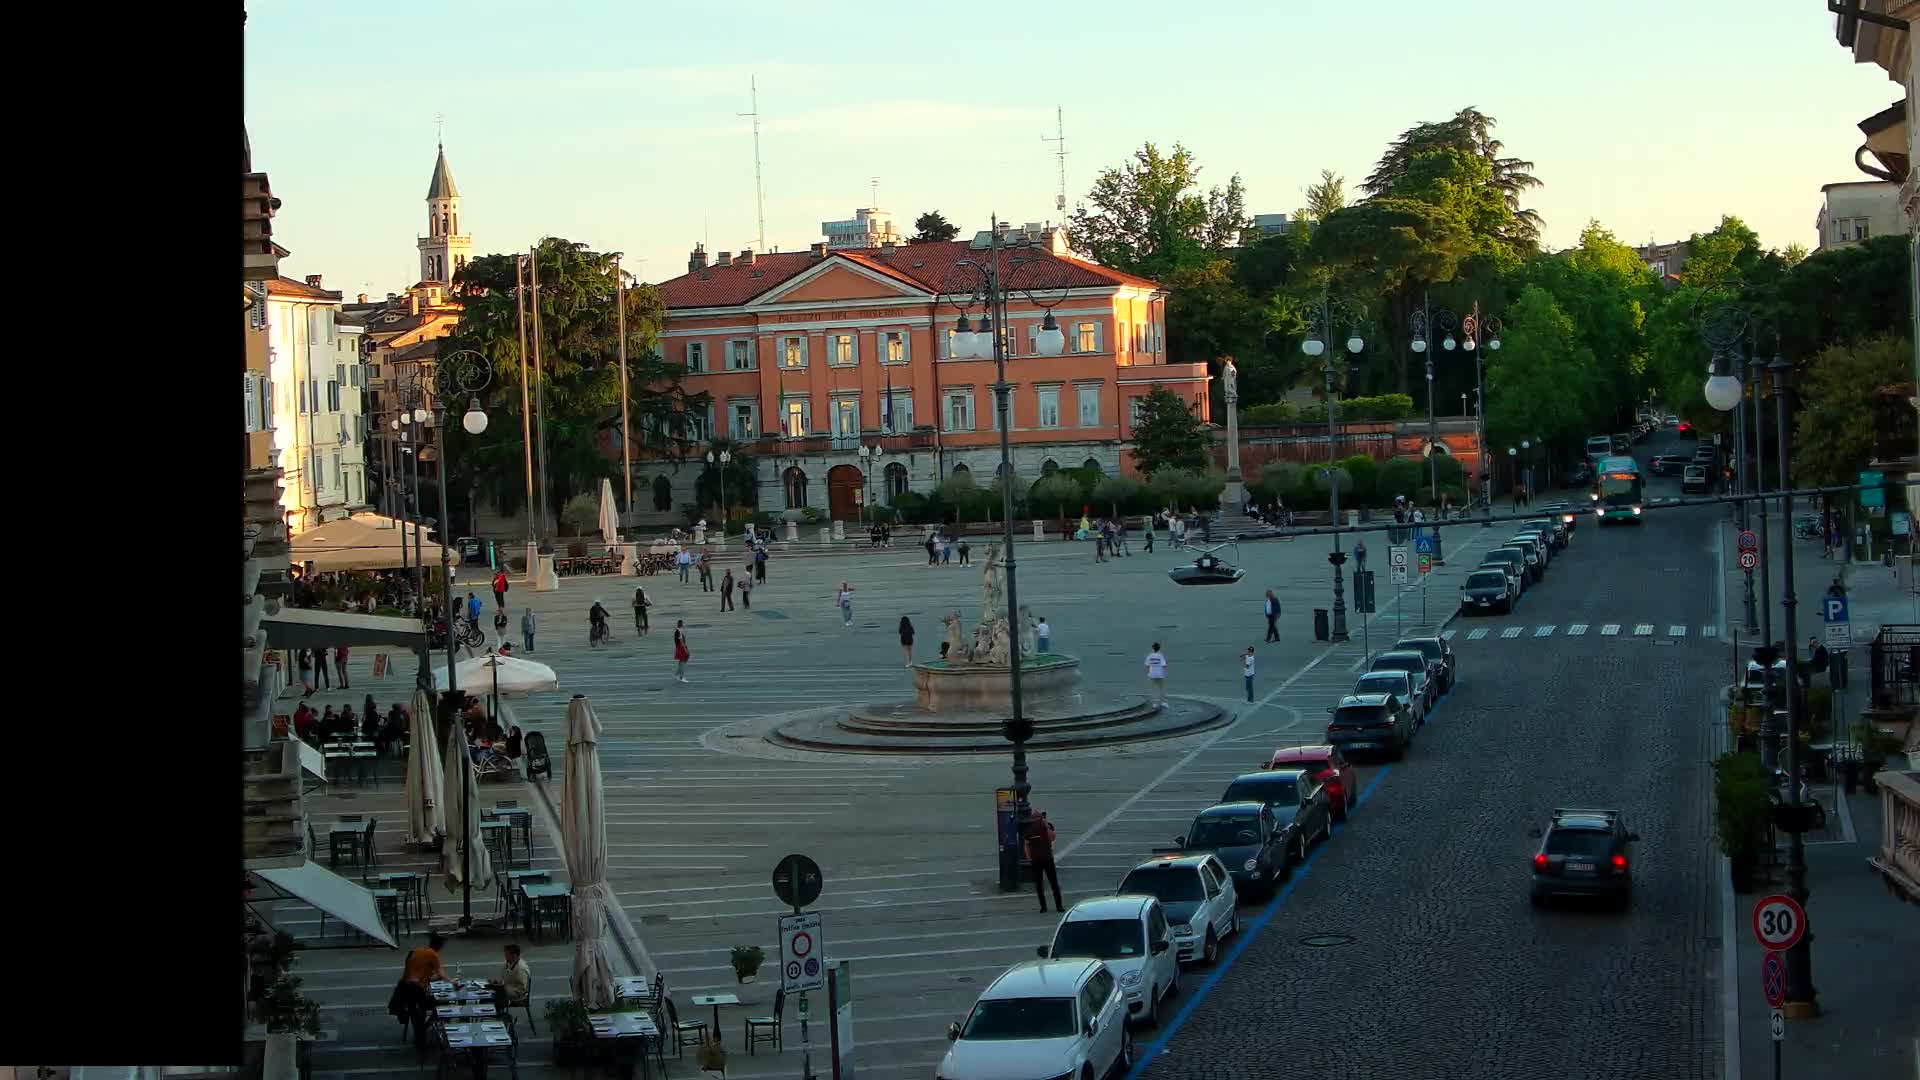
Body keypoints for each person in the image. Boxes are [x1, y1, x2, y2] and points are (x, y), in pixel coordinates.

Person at [389, 933, 449, 1048]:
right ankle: (424, 1030)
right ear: (439, 946)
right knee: (440, 1004)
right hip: (415, 990)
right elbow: (440, 973)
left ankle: (420, 1035)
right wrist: (452, 981)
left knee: (415, 1013)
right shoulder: (432, 955)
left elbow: (420, 976)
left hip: (405, 991)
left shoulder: (416, 952)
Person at [1024, 809, 1063, 913]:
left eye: (1038, 817)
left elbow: (1052, 837)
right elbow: (1026, 844)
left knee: (1054, 883)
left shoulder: (1048, 825)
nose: (1036, 820)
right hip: (1036, 860)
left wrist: (1046, 826)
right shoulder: (1029, 829)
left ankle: (1059, 905)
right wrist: (1029, 858)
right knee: (1039, 885)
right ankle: (1043, 906)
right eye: (1034, 818)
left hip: (1047, 858)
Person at [489, 943, 532, 1016]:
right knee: (491, 990)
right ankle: (497, 1012)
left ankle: (500, 1015)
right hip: (508, 988)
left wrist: (505, 988)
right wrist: (497, 982)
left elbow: (522, 989)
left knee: (498, 994)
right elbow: (505, 979)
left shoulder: (521, 968)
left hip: (518, 994)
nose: (505, 957)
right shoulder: (508, 963)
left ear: (514, 955)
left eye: (507, 955)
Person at [1145, 643, 1168, 709]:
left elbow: (1147, 665)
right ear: (1159, 648)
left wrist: (1149, 672)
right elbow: (1164, 665)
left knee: (1154, 689)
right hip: (1160, 674)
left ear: (1152, 648)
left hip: (1152, 674)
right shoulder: (1160, 656)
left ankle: (1155, 703)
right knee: (1162, 688)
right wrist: (1164, 673)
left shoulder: (1149, 656)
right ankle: (1163, 702)